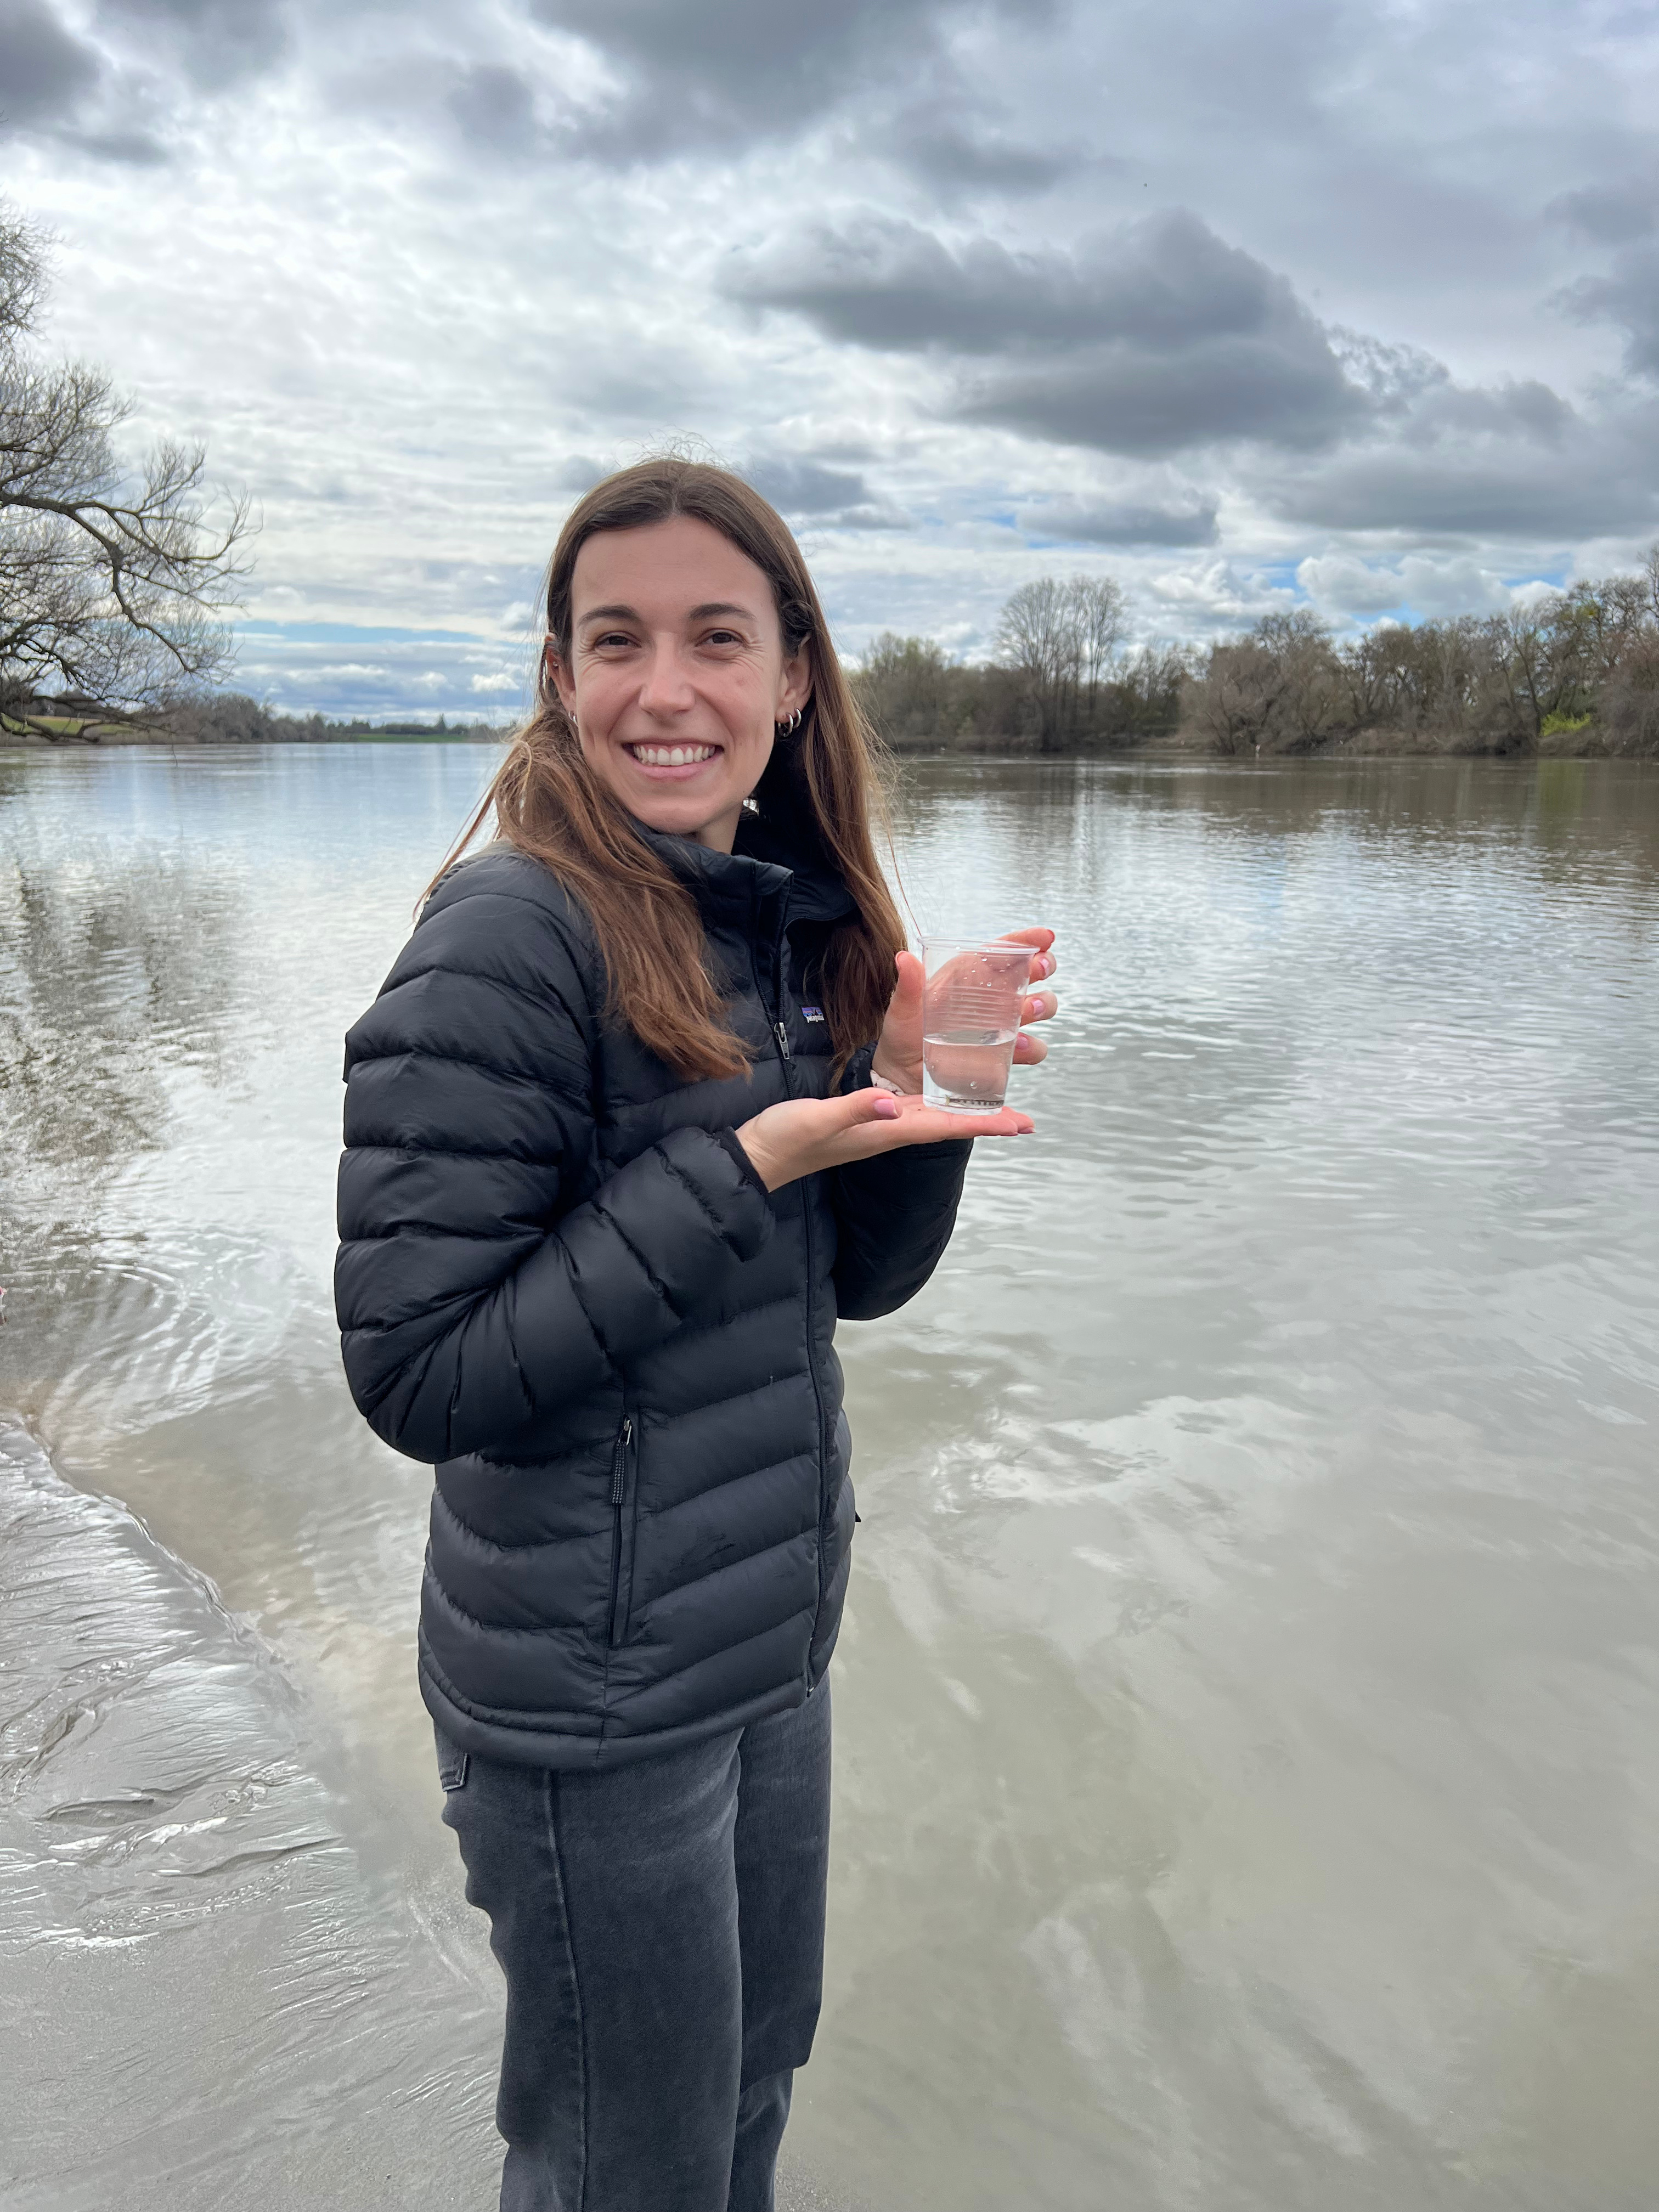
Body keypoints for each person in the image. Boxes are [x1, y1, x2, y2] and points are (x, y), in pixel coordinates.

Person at [335, 459, 1057, 2212]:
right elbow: (416, 1373)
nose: (667, 689)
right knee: (619, 2165)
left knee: (742, 2096)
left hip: (754, 1652)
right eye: (617, 640)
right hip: (587, 1707)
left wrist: (906, 1080)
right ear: (562, 676)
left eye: (717, 638)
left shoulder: (771, 923)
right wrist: (740, 1165)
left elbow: (854, 1289)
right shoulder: (510, 939)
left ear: (796, 676)